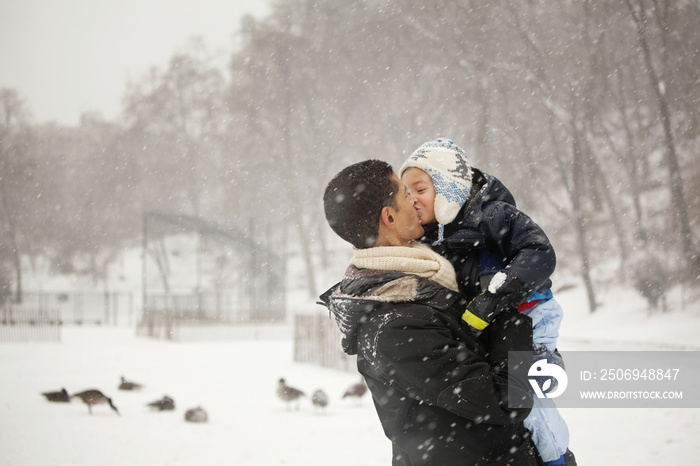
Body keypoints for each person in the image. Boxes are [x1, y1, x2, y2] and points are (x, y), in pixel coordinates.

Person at [319, 159, 542, 465]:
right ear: (389, 218)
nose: (414, 198)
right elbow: (508, 401)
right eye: (403, 192)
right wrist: (506, 310)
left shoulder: (429, 276)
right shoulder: (395, 327)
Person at [400, 138, 575, 466]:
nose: (412, 199)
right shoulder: (429, 241)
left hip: (528, 321)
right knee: (507, 406)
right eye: (406, 193)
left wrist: (497, 294)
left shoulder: (492, 215)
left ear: (448, 186)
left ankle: (558, 459)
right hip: (492, 338)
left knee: (534, 408)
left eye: (420, 189)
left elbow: (538, 250)